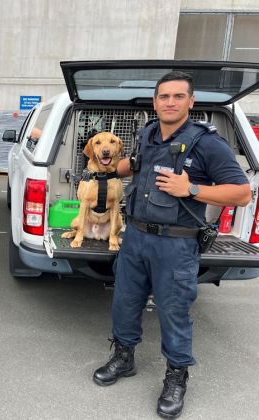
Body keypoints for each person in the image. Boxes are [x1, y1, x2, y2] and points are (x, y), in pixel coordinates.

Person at [92, 71, 251, 419]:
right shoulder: (147, 133)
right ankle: (124, 356)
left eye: (178, 96)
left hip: (175, 245)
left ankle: (176, 377)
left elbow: (241, 192)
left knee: (174, 311)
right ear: (155, 101)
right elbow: (133, 166)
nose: (170, 102)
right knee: (124, 301)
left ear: (190, 102)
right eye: (164, 96)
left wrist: (190, 189)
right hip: (135, 238)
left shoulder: (206, 142)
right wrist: (102, 170)